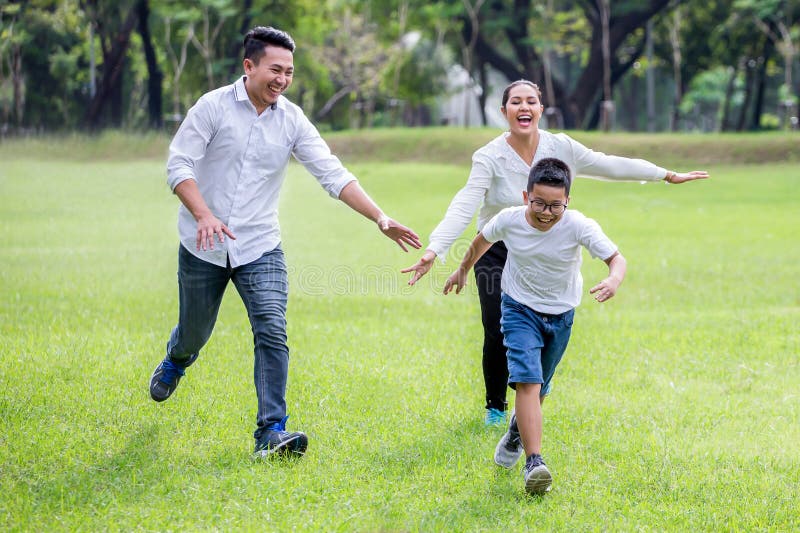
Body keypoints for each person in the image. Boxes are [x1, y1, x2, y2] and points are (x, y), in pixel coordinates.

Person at [149, 26, 421, 458]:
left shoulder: (292, 119)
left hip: (259, 245)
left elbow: (332, 172)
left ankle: (271, 431)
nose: (282, 79)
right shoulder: (212, 108)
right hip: (203, 243)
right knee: (195, 332)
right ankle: (177, 358)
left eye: (289, 72)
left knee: (272, 329)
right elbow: (178, 164)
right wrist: (203, 213)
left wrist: (379, 217)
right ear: (249, 66)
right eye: (275, 69)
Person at [403, 79, 708, 426]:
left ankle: (529, 399)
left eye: (530, 101)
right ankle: (495, 406)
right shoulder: (488, 156)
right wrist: (435, 249)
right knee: (497, 326)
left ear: (540, 109)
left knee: (538, 329)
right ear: (504, 112)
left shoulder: (560, 146)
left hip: (545, 249)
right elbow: (465, 203)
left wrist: (665, 175)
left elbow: (607, 164)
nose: (524, 108)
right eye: (515, 102)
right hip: (496, 248)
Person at [443, 157, 624, 495]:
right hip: (518, 308)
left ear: (567, 200)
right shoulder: (510, 220)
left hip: (561, 315)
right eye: (539, 202)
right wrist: (463, 270)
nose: (546, 212)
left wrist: (614, 280)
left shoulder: (579, 225)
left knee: (538, 390)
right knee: (527, 382)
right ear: (526, 196)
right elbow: (481, 240)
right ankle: (534, 462)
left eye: (556, 205)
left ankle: (516, 431)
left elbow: (617, 259)